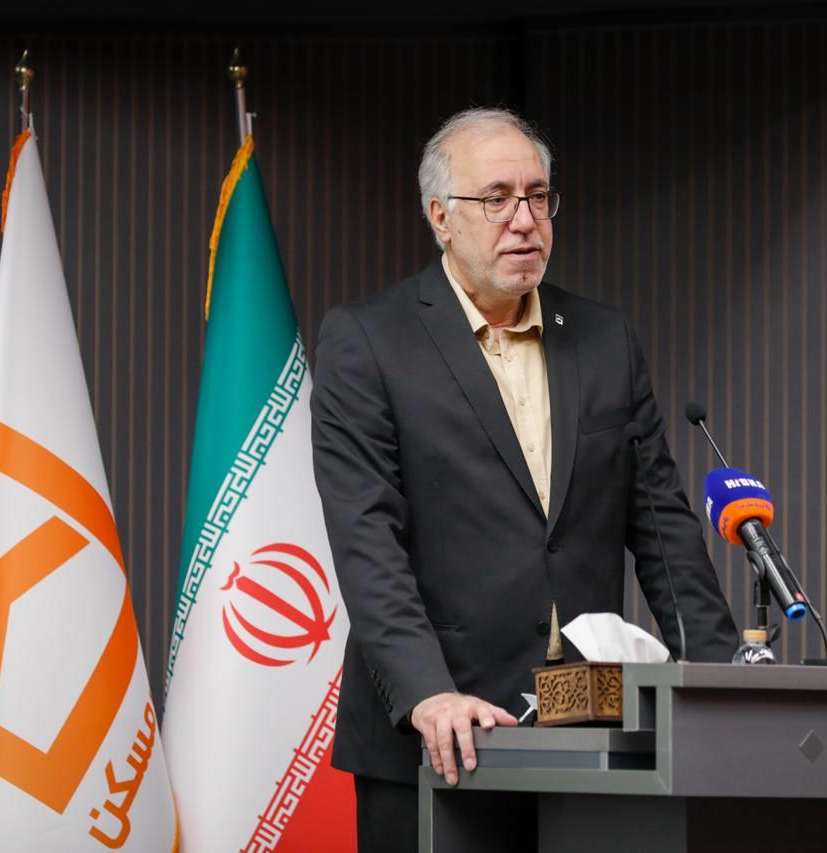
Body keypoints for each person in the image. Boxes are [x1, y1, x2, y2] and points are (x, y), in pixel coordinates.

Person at [310, 107, 739, 853]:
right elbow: (367, 541)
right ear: (440, 217)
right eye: (497, 198)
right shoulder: (369, 340)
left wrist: (722, 679)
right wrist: (427, 693)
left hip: (591, 729)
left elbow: (663, 527)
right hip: (442, 735)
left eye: (538, 196)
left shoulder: (604, 339)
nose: (524, 219)